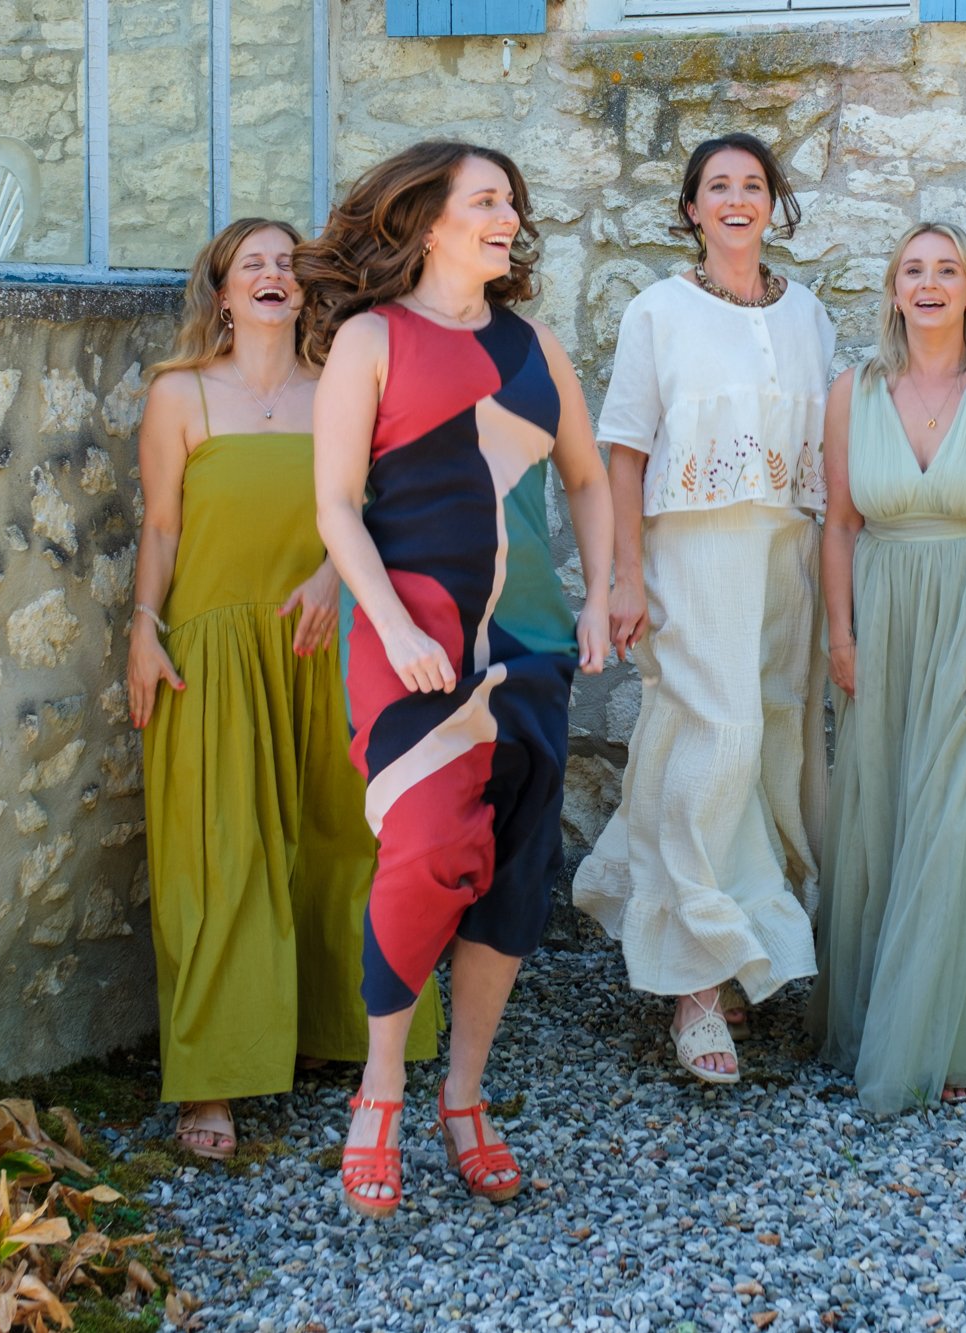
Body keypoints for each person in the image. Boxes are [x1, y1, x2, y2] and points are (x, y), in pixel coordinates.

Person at [299, 141, 611, 1217]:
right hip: (410, 643)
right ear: (427, 221)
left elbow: (586, 478)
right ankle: (381, 1087)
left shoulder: (535, 347)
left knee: (517, 871)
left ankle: (466, 1097)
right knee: (426, 851)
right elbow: (337, 507)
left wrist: (604, 589)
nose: (506, 216)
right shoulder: (369, 341)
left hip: (527, 644)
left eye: (512, 202)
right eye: (484, 200)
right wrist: (388, 622)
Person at [129, 218, 438, 1163]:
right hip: (214, 650)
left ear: (304, 291)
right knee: (221, 852)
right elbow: (163, 530)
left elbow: (366, 512)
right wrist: (142, 628)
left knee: (342, 837)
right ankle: (213, 1078)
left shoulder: (337, 389)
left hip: (322, 640)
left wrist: (333, 580)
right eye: (250, 263)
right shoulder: (179, 395)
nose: (271, 275)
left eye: (285, 264)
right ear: (221, 291)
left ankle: (337, 1037)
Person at [572, 133, 834, 1085]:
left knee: (759, 744)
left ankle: (722, 939)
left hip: (784, 554)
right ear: (690, 208)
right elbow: (625, 451)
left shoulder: (808, 315)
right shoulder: (658, 311)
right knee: (715, 737)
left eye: (752, 185)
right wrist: (624, 577)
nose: (736, 200)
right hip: (689, 552)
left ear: (774, 204)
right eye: (716, 186)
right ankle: (692, 983)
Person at [808, 223, 966, 1114]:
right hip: (883, 621)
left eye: (945, 270)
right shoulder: (853, 391)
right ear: (891, 290)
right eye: (912, 270)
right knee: (891, 813)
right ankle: (892, 1016)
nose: (928, 284)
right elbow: (838, 524)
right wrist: (840, 636)